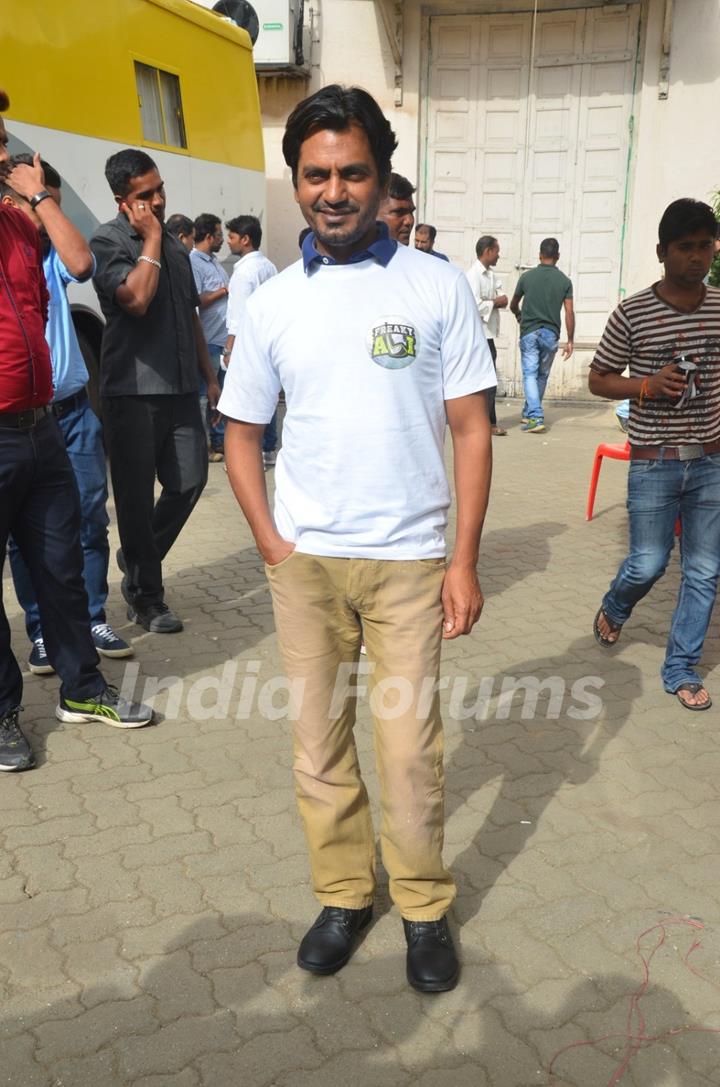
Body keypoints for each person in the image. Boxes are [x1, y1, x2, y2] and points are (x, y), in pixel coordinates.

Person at [220, 84, 495, 992]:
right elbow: (243, 432)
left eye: (352, 174)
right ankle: (344, 894)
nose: (333, 192)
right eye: (315, 175)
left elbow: (470, 427)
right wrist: (270, 540)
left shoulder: (434, 284)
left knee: (410, 747)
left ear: (381, 180)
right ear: (296, 182)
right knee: (318, 742)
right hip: (306, 565)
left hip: (412, 562)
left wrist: (462, 558)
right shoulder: (271, 302)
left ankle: (422, 905)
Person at [0, 102, 153, 772]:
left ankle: (82, 689)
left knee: (62, 569)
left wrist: (37, 196)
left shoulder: (17, 218)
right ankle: (4, 711)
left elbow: (80, 260)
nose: (4, 142)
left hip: (41, 429)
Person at [1, 154, 132, 673]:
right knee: (25, 541)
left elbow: (81, 262)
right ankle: (38, 634)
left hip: (65, 413)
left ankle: (90, 622)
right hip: (15, 422)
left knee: (84, 521)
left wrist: (42, 199)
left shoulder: (37, 245)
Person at [590, 197, 720, 712]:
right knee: (647, 563)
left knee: (705, 569)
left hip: (711, 460)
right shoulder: (633, 312)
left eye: (706, 247)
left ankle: (682, 667)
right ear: (663, 251)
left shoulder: (717, 307)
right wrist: (645, 384)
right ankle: (617, 604)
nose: (697, 257)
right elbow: (599, 378)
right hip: (654, 460)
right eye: (685, 248)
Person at [90, 149, 220, 634]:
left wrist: (209, 378)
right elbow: (137, 299)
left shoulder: (175, 246)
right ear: (122, 200)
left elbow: (189, 312)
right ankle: (147, 598)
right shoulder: (108, 241)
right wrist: (148, 239)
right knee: (135, 502)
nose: (159, 201)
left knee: (190, 482)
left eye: (160, 189)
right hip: (134, 392)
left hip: (183, 388)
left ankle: (136, 557)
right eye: (146, 195)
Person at [223, 215, 278, 468]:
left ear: (245, 240)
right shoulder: (268, 266)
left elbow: (238, 315)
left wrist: (229, 348)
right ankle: (268, 449)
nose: (228, 241)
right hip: (268, 340)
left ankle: (247, 455)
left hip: (247, 343)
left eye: (232, 237)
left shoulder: (244, 272)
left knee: (244, 400)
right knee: (268, 395)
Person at [509, 238, 574, 433]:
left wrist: (519, 315)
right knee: (541, 375)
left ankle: (535, 417)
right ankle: (529, 413)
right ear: (558, 256)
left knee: (530, 374)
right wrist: (570, 340)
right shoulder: (565, 281)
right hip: (551, 334)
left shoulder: (527, 277)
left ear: (539, 255)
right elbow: (569, 312)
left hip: (529, 332)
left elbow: (513, 304)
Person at [190, 213, 229, 462]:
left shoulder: (214, 262)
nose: (223, 240)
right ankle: (203, 447)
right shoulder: (194, 263)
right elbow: (196, 301)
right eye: (219, 234)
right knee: (205, 396)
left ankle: (219, 443)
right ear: (208, 236)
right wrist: (224, 290)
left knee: (221, 396)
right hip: (208, 342)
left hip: (222, 343)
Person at [466, 235, 508, 437]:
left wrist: (492, 300)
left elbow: (504, 298)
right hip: (478, 335)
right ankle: (488, 423)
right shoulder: (472, 275)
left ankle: (485, 421)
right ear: (488, 251)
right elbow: (474, 304)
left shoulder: (491, 275)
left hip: (488, 334)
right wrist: (494, 302)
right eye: (496, 251)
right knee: (485, 380)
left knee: (488, 379)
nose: (499, 255)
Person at [378, 172, 415, 245]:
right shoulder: (351, 255)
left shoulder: (417, 256)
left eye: (411, 212)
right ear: (372, 214)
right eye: (399, 212)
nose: (409, 221)